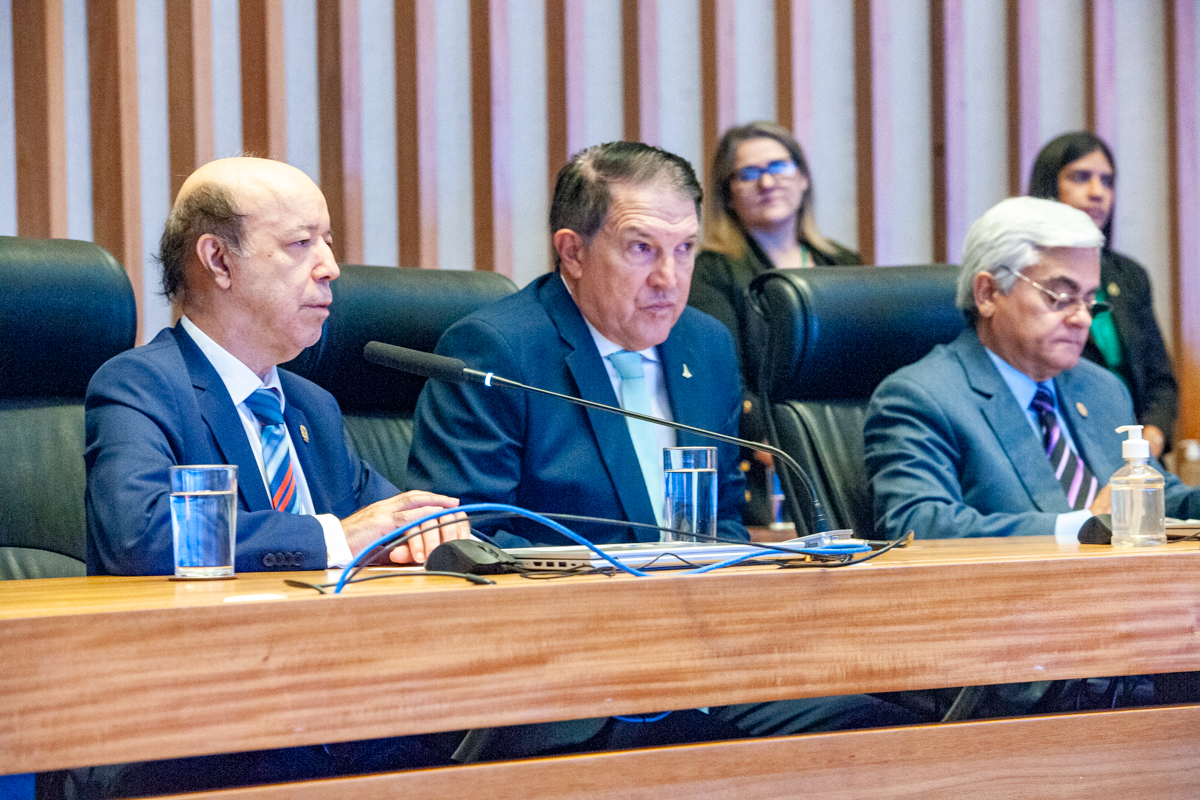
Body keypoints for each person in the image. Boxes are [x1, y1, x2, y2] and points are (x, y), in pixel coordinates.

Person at [407, 141, 915, 762]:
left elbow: (722, 520)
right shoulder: (497, 351)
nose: (669, 280)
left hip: (705, 662)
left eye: (685, 248)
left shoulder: (705, 344)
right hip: (567, 682)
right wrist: (630, 619)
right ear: (572, 252)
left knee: (880, 731)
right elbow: (467, 541)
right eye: (641, 248)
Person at [863, 196, 1200, 719]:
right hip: (1017, 662)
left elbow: (1159, 497)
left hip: (1135, 641)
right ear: (988, 292)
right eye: (1060, 296)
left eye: (1090, 300)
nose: (1081, 318)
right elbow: (919, 527)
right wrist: (1084, 527)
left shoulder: (1100, 388)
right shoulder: (920, 396)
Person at [85, 156, 470, 576]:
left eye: (327, 242)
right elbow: (140, 536)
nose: (331, 268)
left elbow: (387, 522)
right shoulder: (142, 387)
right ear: (219, 260)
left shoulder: (312, 406)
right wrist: (336, 537)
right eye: (301, 243)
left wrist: (429, 528)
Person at [689, 121, 860, 523]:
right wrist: (778, 442)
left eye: (779, 167)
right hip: (764, 462)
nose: (767, 182)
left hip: (849, 450)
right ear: (728, 194)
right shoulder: (711, 273)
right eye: (748, 173)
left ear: (803, 178)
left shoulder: (844, 263)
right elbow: (723, 376)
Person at [1029, 131, 1178, 458]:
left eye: (1107, 181)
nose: (1098, 193)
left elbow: (1160, 380)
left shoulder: (1129, 275)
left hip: (1138, 456)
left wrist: (1150, 440)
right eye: (1081, 178)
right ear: (1048, 188)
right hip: (1065, 450)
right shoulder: (1027, 272)